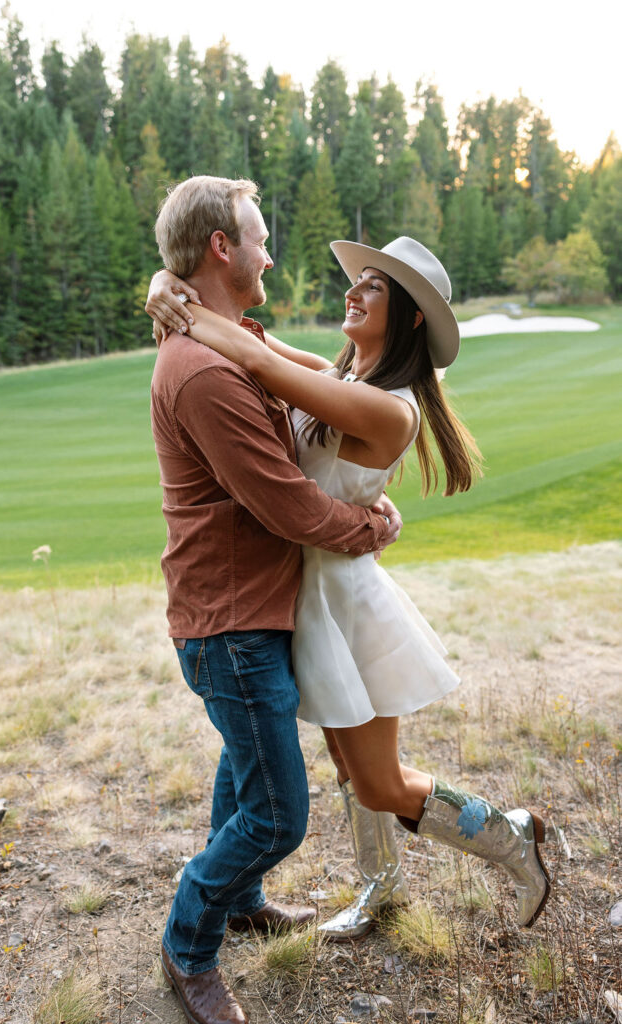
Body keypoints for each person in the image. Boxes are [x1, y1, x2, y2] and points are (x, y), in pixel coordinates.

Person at [150, 234, 551, 938]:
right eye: (356, 280)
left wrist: (171, 297)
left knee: (379, 782)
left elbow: (253, 356)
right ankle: (380, 890)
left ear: (411, 316)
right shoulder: (344, 380)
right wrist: (164, 284)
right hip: (300, 597)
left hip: (343, 604)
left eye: (372, 286)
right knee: (343, 759)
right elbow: (260, 350)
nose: (353, 290)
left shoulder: (389, 407)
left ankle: (513, 840)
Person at [148, 175, 403, 1024]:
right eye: (258, 237)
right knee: (277, 812)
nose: (269, 252)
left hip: (251, 610)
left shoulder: (228, 342)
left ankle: (244, 899)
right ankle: (188, 947)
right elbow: (287, 507)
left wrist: (168, 292)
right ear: (222, 247)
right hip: (229, 621)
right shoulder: (204, 372)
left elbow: (293, 373)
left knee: (246, 758)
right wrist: (372, 527)